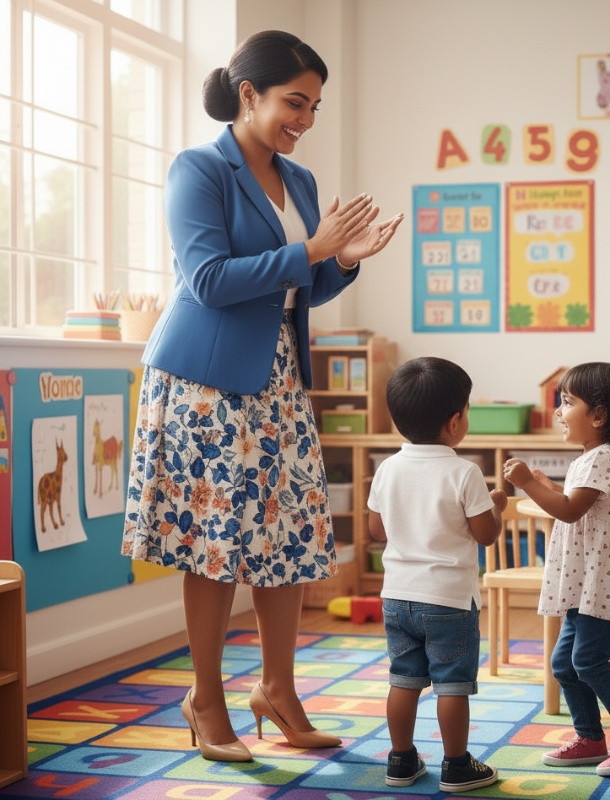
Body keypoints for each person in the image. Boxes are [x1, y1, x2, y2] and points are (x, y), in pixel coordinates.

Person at [122, 30, 403, 762]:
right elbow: (208, 280)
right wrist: (312, 250)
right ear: (249, 94)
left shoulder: (299, 181)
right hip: (204, 380)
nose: (304, 120)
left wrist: (342, 261)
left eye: (314, 107)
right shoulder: (198, 169)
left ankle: (278, 690)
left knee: (290, 537)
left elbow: (301, 284)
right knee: (213, 544)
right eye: (294, 103)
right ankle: (205, 698)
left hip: (279, 375)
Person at [503, 362, 610, 778]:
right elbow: (582, 502)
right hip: (589, 582)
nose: (558, 411)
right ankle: (590, 738)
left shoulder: (603, 456)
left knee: (588, 661)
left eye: (567, 402)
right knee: (565, 664)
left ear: (599, 415)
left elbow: (571, 511)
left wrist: (528, 484)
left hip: (607, 582)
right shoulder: (594, 457)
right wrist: (549, 487)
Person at [367, 357, 507, 793]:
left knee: (404, 680)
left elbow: (376, 530)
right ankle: (457, 766)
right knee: (452, 686)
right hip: (448, 601)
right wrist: (497, 507)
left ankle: (400, 760)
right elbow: (485, 535)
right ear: (454, 422)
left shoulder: (387, 468)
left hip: (397, 597)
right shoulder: (464, 472)